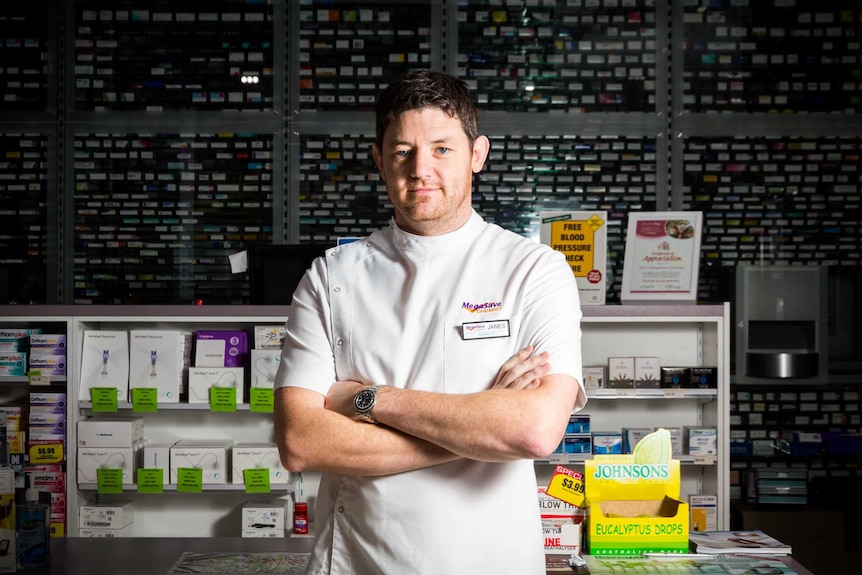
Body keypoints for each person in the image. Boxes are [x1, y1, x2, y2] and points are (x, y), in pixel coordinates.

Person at [273, 69, 586, 575]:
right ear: (379, 160)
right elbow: (301, 443)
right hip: (361, 561)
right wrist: (481, 428)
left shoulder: (534, 270)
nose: (421, 169)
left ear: (476, 155)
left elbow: (532, 431)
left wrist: (367, 400)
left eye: (442, 148)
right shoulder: (332, 277)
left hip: (492, 561)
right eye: (402, 152)